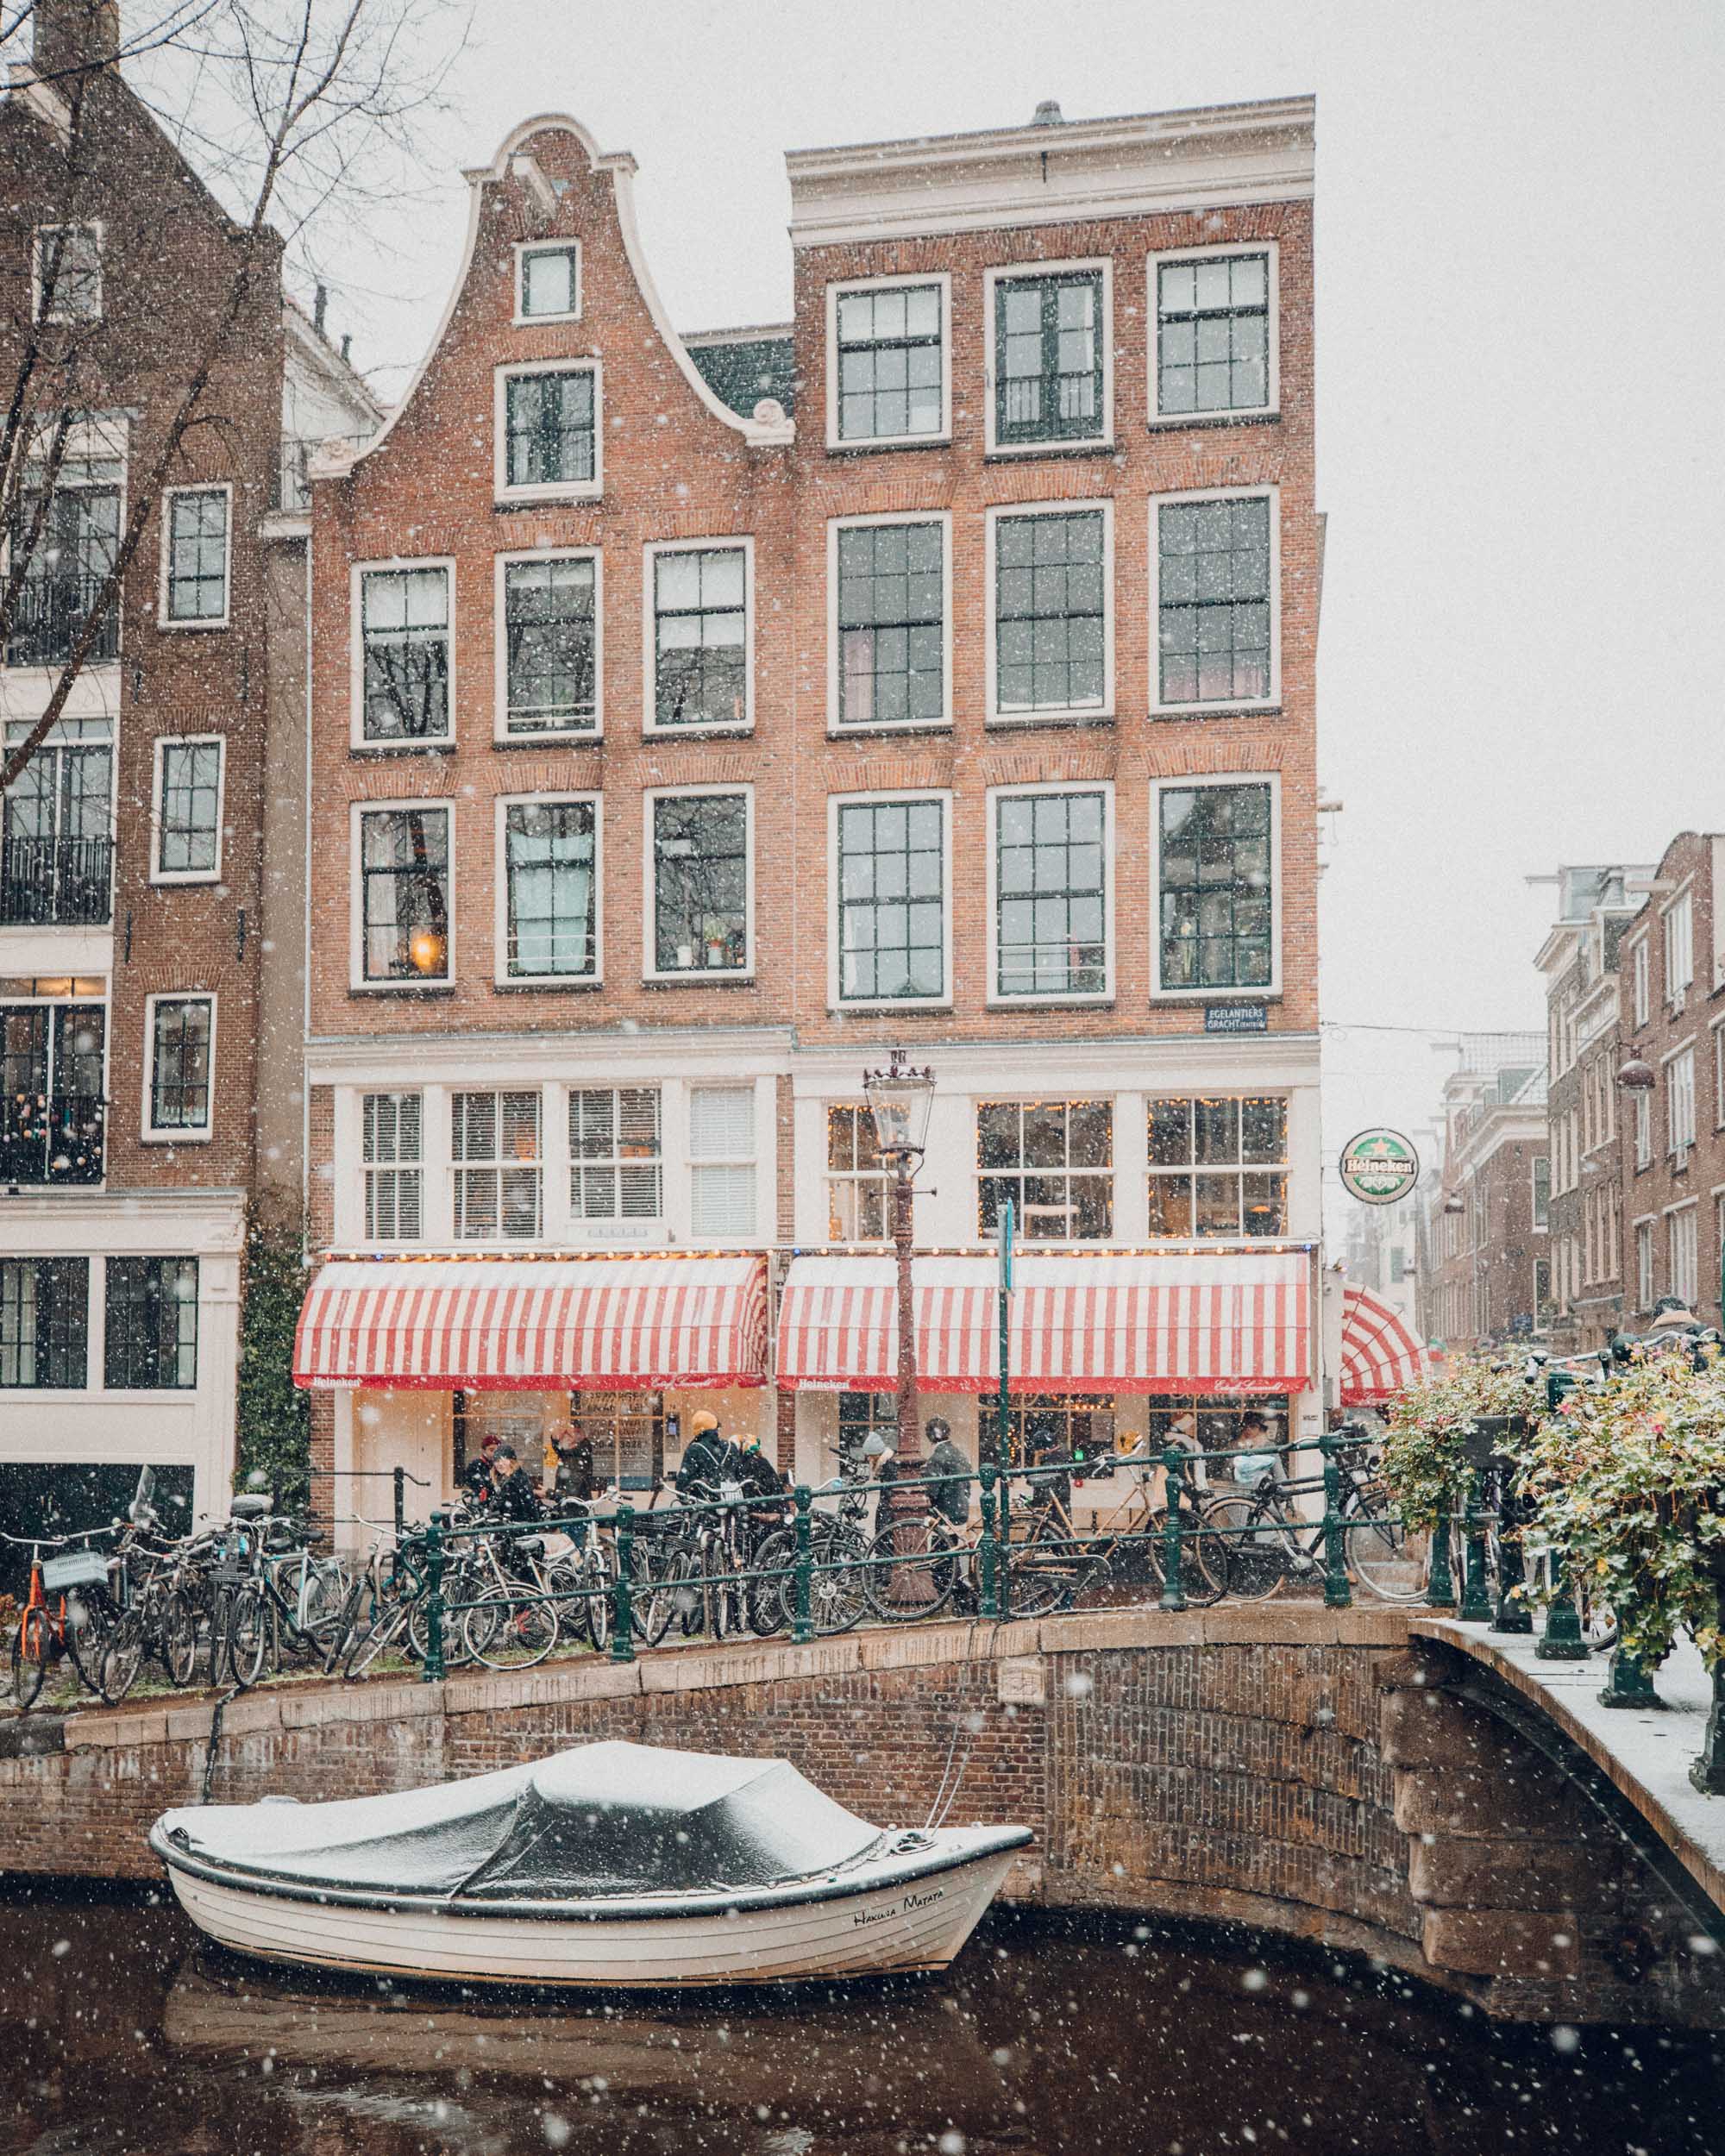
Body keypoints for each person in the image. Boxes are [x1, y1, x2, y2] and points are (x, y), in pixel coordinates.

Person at [923, 1417, 973, 1530]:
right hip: (961, 1509)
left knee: (941, 1545)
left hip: (944, 1513)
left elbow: (932, 1490)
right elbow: (967, 1484)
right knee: (954, 1545)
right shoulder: (960, 1454)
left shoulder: (936, 1458)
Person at [675, 1410, 730, 1502]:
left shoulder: (695, 1449)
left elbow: (683, 1481)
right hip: (730, 1501)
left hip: (704, 1502)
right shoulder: (730, 1447)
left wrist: (682, 1496)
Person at [548, 1420, 597, 1503]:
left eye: (566, 1433)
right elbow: (558, 1447)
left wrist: (548, 1493)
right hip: (573, 1507)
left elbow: (571, 1494)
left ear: (579, 1435)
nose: (563, 1436)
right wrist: (555, 1438)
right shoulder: (570, 1455)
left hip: (575, 1509)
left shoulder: (576, 1459)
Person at [459, 1431, 501, 1502]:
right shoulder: (475, 1464)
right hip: (479, 1502)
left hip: (496, 1503)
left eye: (496, 1450)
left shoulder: (500, 1465)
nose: (494, 1453)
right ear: (484, 1450)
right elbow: (468, 1480)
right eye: (491, 1450)